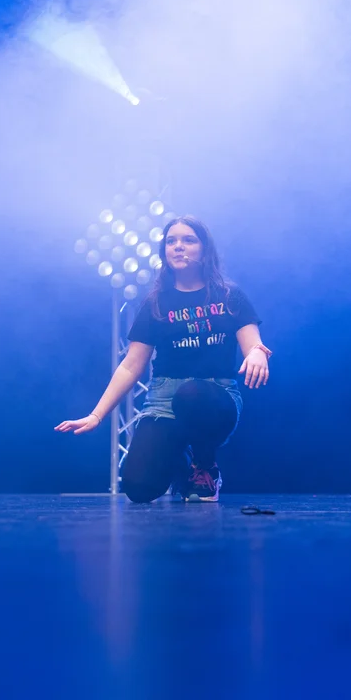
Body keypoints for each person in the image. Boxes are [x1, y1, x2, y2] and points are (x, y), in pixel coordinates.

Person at [57, 215, 270, 502]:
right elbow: (131, 365)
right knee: (138, 489)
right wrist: (97, 415)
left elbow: (253, 343)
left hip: (216, 396)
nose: (178, 246)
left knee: (191, 394)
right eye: (171, 241)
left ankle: (205, 467)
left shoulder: (230, 295)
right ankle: (183, 465)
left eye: (188, 240)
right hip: (164, 398)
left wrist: (257, 353)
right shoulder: (155, 302)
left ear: (204, 249)